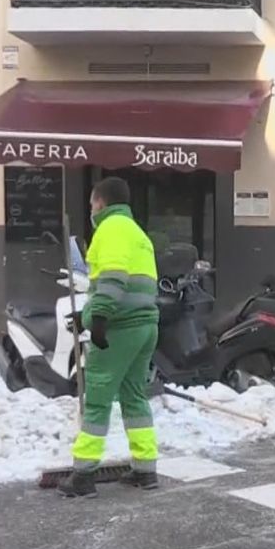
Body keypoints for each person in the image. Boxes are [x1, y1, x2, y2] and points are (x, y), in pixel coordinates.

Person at [57, 177, 162, 497]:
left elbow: (113, 279)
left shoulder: (111, 228)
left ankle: (83, 475)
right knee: (134, 395)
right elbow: (131, 285)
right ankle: (145, 469)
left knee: (98, 398)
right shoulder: (137, 232)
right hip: (145, 325)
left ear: (101, 202)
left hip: (121, 327)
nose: (91, 209)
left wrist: (98, 319)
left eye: (91, 203)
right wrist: (86, 315)